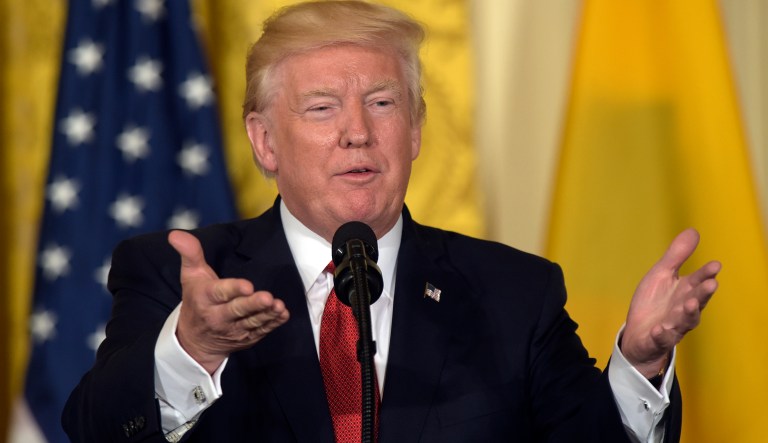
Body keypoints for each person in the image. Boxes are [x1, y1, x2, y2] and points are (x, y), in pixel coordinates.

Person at [62, 1, 720, 442]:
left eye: (381, 102)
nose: (356, 132)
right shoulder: (176, 276)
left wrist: (640, 362)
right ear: (263, 141)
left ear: (414, 130)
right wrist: (194, 351)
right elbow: (94, 429)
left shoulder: (515, 292)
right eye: (322, 108)